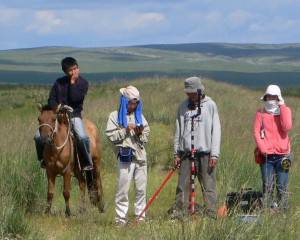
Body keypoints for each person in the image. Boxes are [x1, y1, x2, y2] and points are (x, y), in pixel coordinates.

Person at [168, 76, 221, 218]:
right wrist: (176, 153)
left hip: (205, 153)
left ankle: (211, 214)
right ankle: (180, 212)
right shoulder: (182, 106)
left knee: (208, 185)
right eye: (188, 92)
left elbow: (216, 131)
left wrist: (214, 154)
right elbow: (178, 130)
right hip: (186, 153)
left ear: (199, 91)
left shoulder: (210, 105)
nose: (190, 95)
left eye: (192, 92)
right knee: (183, 185)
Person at [34, 57, 93, 171]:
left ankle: (87, 161)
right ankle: (43, 159)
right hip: (57, 116)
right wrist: (57, 107)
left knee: (82, 136)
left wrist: (72, 83)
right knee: (37, 137)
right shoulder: (58, 82)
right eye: (70, 70)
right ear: (65, 71)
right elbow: (51, 99)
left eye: (75, 68)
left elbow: (76, 99)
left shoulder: (83, 83)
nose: (74, 72)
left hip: (74, 115)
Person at [105, 86, 150, 227]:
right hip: (125, 157)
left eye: (135, 103)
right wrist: (125, 130)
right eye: (130, 103)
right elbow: (111, 136)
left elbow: (146, 136)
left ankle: (140, 216)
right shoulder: (114, 116)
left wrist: (139, 133)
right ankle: (120, 218)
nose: (133, 106)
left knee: (141, 189)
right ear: (124, 101)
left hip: (141, 158)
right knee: (123, 189)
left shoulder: (140, 117)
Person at [254, 84, 292, 210]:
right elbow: (256, 132)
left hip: (283, 154)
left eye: (274, 97)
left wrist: (282, 107)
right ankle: (268, 209)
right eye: (269, 96)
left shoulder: (285, 111)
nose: (271, 99)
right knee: (267, 185)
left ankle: (283, 210)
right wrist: (263, 148)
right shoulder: (261, 113)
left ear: (279, 98)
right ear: (265, 97)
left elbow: (286, 127)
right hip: (266, 156)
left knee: (281, 185)